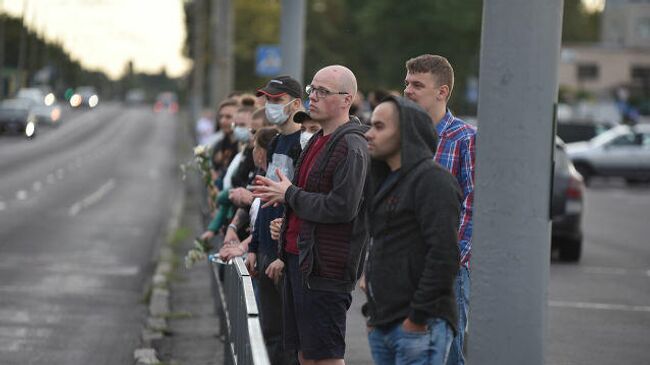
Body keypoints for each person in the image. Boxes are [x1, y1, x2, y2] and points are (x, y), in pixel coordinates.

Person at [253, 65, 370, 365]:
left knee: (326, 357)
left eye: (322, 92)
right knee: (305, 355)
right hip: (300, 263)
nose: (312, 97)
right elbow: (309, 198)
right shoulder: (318, 139)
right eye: (311, 90)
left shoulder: (350, 144)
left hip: (325, 271)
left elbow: (343, 207)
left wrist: (289, 195)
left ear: (346, 100)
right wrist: (288, 220)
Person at [363, 96, 461, 365]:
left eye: (380, 127)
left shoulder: (432, 180)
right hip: (384, 323)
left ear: (406, 132)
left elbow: (444, 255)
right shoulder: (384, 181)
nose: (369, 134)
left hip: (419, 326)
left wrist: (417, 318)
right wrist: (373, 314)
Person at [404, 54, 476, 365]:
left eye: (417, 85)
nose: (408, 90)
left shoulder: (465, 139)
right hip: (404, 264)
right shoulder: (403, 137)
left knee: (446, 354)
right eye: (406, 83)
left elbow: (474, 205)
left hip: (447, 268)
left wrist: (451, 258)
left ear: (442, 91)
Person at [246, 76, 305, 365]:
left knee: (288, 337)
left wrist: (283, 251)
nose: (271, 105)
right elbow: (264, 199)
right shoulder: (276, 142)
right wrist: (255, 246)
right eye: (268, 100)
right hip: (267, 248)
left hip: (287, 254)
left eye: (277, 100)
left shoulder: (303, 143)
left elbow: (302, 201)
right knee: (269, 332)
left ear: (295, 104)